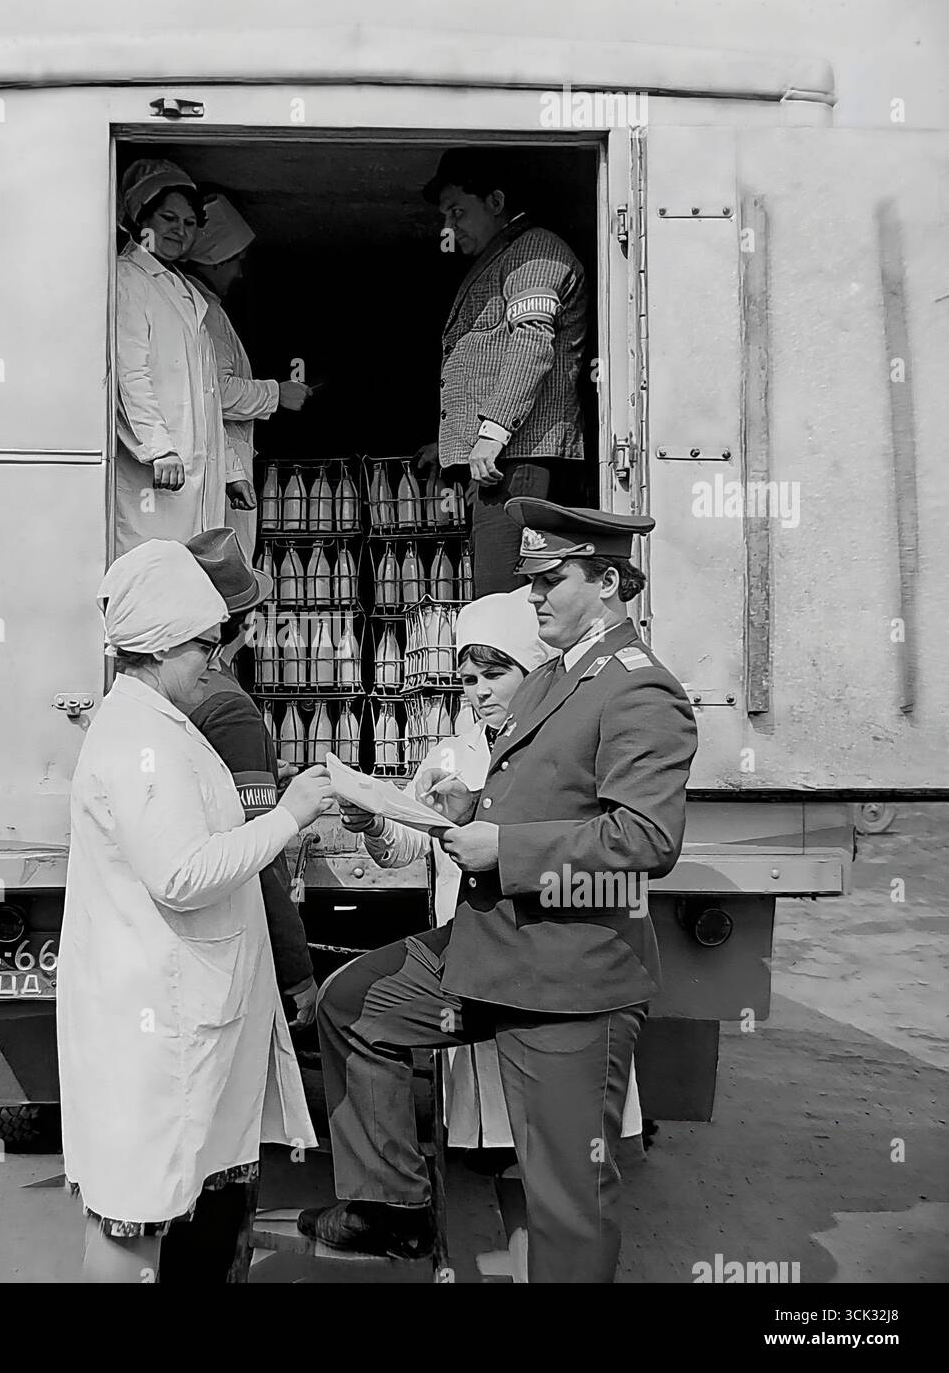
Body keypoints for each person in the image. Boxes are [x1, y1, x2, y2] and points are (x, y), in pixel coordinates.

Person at [298, 502, 698, 1282]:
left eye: (552, 578)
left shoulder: (638, 690)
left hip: (566, 978)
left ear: (609, 582)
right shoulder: (559, 671)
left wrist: (504, 846)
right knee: (353, 1006)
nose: (536, 595)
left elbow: (646, 840)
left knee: (563, 1197)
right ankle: (393, 1208)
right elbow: (549, 796)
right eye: (531, 580)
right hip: (491, 949)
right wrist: (465, 814)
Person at [56, 538, 331, 1282]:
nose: (216, 660)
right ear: (161, 645)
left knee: (162, 1206)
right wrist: (291, 815)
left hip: (171, 1015)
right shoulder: (145, 741)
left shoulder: (154, 725)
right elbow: (181, 873)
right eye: (204, 646)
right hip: (154, 1027)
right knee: (132, 1220)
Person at [336, 594, 644, 1174]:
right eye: (468, 677)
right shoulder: (453, 754)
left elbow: (625, 847)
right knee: (502, 1146)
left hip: (549, 968)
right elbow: (407, 846)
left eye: (495, 674)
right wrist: (376, 821)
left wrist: (497, 846)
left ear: (539, 672)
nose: (478, 691)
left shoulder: (573, 747)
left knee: (558, 1158)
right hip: (472, 962)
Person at [157, 527, 320, 1284]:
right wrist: (296, 970)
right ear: (237, 628)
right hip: (224, 952)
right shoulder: (230, 711)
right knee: (226, 1147)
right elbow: (260, 858)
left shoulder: (142, 704)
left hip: (166, 965)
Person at [419, 150, 588, 598]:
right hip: (505, 459)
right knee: (502, 600)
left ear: (495, 201)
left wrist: (492, 433)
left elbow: (533, 341)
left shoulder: (533, 252)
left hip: (520, 459)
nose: (449, 227)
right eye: (445, 215)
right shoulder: (506, 254)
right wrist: (455, 439)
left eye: (458, 211)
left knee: (506, 604)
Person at [113, 160, 253, 556]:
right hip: (159, 477)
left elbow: (206, 398)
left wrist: (231, 470)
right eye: (169, 217)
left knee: (193, 589)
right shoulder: (129, 279)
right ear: (142, 219)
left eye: (190, 224)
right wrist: (158, 447)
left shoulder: (183, 291)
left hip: (194, 479)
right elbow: (130, 374)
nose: (179, 230)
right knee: (156, 583)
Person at [182, 193, 312, 562]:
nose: (240, 272)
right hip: (217, 470)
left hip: (225, 465)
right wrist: (277, 393)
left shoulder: (209, 308)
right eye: (236, 262)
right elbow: (215, 390)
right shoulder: (203, 312)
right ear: (217, 261)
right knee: (224, 568)